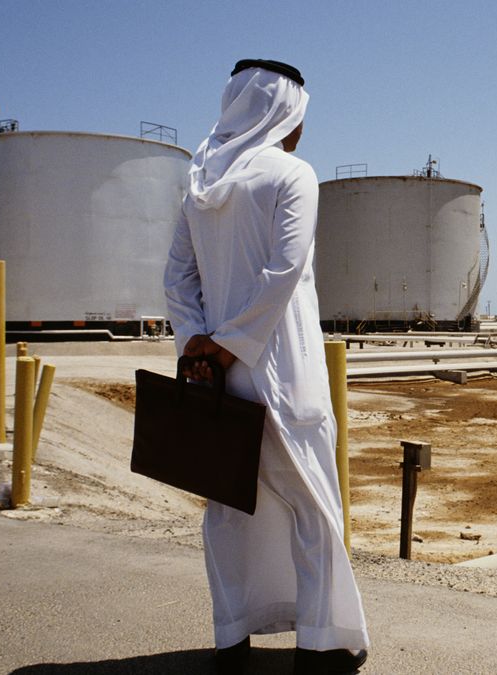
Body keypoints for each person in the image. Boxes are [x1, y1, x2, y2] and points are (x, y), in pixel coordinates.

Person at [163, 59, 370, 674]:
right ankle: (322, 644)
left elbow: (178, 279)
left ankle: (231, 638)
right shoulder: (293, 174)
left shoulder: (200, 182)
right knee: (312, 504)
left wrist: (197, 346)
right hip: (282, 368)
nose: (301, 129)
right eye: (298, 116)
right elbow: (284, 272)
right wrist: (231, 344)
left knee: (229, 506)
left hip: (216, 374)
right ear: (282, 114)